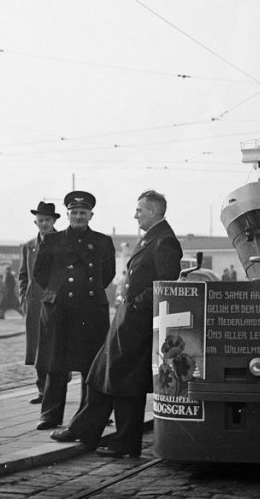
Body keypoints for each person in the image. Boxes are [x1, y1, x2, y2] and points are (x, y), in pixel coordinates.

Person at [52, 189, 183, 458]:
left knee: (124, 382)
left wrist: (136, 304)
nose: (135, 214)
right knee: (102, 374)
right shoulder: (153, 237)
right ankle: (86, 430)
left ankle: (123, 441)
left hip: (137, 322)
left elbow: (165, 284)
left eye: (140, 210)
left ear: (154, 212)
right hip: (127, 320)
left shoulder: (164, 241)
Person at [32, 191, 116, 431]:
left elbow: (107, 274)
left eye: (83, 213)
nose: (79, 216)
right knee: (55, 364)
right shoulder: (52, 241)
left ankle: (88, 413)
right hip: (60, 310)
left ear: (91, 215)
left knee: (91, 365)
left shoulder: (102, 241)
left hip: (90, 310)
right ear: (67, 215)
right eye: (74, 213)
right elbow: (40, 273)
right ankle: (50, 414)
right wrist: (56, 291)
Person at [18, 200, 60, 405]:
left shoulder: (62, 242)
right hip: (34, 303)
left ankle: (55, 389)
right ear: (36, 222)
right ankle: (42, 390)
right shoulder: (28, 247)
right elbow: (22, 275)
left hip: (56, 302)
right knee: (37, 347)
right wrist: (22, 297)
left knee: (54, 346)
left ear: (54, 221)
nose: (44, 224)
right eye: (40, 220)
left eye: (47, 220)